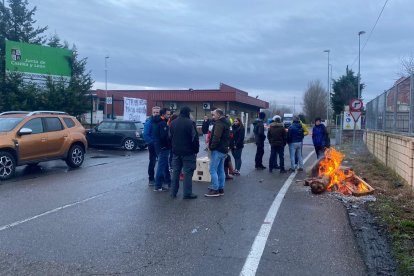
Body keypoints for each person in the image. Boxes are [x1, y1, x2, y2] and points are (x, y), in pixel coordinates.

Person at [169, 106, 199, 199]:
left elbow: (170, 137)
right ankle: (187, 193)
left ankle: (173, 193)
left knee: (175, 173)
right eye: (190, 113)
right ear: (187, 113)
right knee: (187, 173)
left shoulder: (173, 123)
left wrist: (173, 148)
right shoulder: (190, 123)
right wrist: (196, 150)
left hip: (176, 152)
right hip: (188, 153)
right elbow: (195, 139)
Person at [205, 108, 230, 197]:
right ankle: (220, 188)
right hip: (223, 150)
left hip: (218, 150)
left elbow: (216, 137)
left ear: (219, 115)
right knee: (220, 170)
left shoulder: (219, 124)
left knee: (212, 169)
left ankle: (215, 189)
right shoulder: (226, 122)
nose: (213, 116)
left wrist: (211, 147)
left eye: (214, 114)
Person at [153, 108, 172, 191]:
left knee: (165, 165)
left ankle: (168, 181)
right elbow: (164, 137)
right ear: (163, 114)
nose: (169, 116)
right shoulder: (162, 124)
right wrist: (167, 145)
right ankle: (158, 186)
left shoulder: (155, 122)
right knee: (161, 166)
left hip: (158, 147)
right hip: (163, 148)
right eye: (168, 114)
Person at [143, 106, 160, 185]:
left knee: (161, 162)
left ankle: (160, 178)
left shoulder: (161, 121)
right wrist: (153, 142)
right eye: (154, 112)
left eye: (157, 112)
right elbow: (146, 135)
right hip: (153, 145)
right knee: (152, 162)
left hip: (160, 145)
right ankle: (151, 179)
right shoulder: (149, 122)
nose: (156, 114)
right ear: (152, 113)